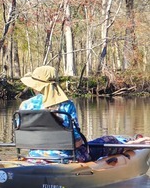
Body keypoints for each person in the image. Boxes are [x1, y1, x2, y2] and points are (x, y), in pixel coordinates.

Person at [19, 65, 149, 162]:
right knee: (107, 141)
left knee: (97, 143)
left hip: (33, 156)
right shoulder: (66, 105)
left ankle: (133, 142)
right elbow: (76, 143)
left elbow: (23, 136)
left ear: (35, 86)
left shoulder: (25, 106)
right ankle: (136, 143)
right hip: (68, 158)